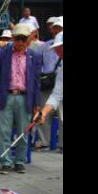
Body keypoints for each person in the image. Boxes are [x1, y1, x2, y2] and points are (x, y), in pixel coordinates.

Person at [0, 24, 42, 174]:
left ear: (28, 39)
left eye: (23, 39)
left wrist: (37, 105)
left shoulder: (34, 56)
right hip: (6, 95)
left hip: (25, 98)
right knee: (4, 132)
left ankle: (19, 161)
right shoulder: (4, 53)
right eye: (17, 38)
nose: (20, 42)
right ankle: (6, 162)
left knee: (23, 132)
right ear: (13, 38)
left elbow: (37, 82)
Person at [33, 18, 63, 150]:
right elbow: (57, 94)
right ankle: (44, 142)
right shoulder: (61, 69)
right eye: (55, 48)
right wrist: (43, 113)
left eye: (59, 48)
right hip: (48, 83)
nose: (57, 51)